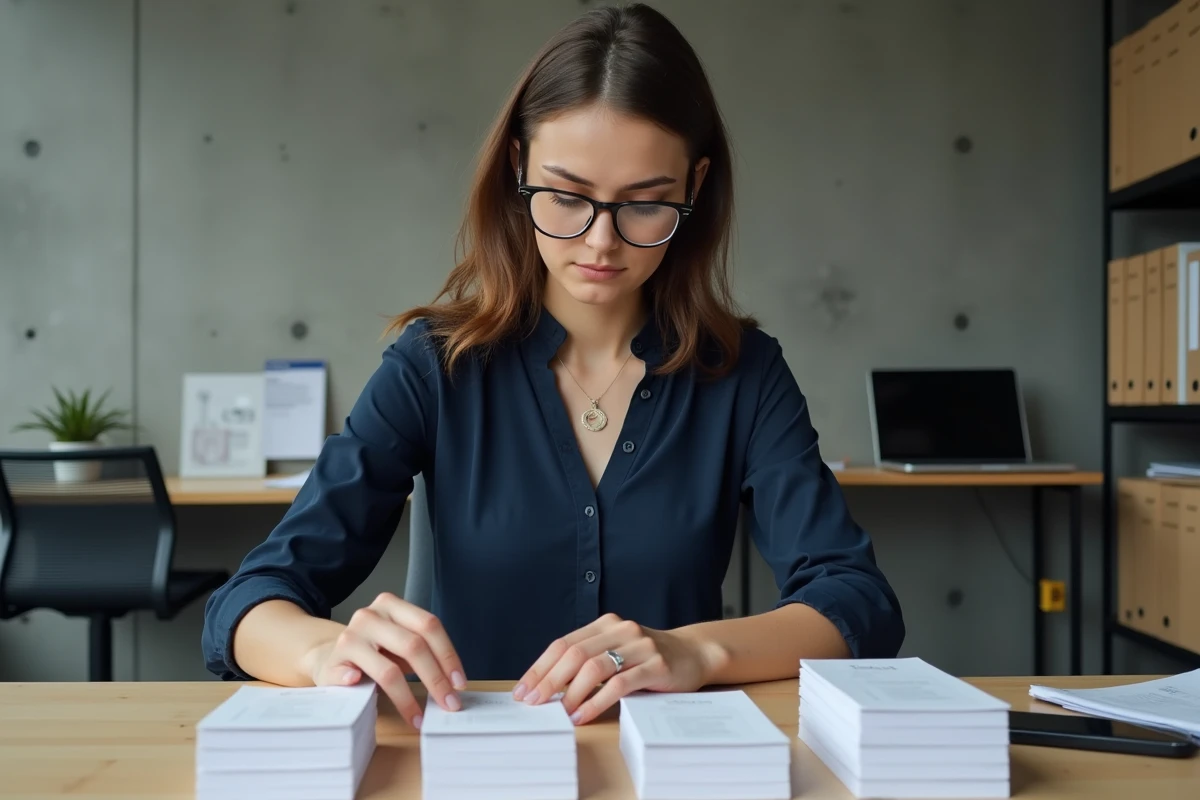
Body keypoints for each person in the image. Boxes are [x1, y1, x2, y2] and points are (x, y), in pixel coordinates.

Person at [201, 2, 904, 731]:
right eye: (567, 197)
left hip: (668, 767)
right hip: (475, 766)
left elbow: (856, 599)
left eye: (645, 204)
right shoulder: (434, 366)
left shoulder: (743, 375)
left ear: (693, 187)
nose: (601, 241)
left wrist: (697, 651)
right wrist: (324, 651)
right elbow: (248, 603)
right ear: (518, 167)